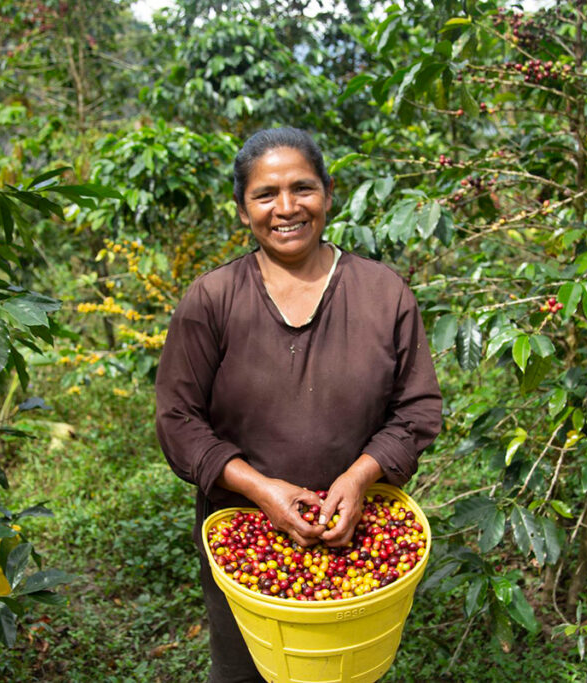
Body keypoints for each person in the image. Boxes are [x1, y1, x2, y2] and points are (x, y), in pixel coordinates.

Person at [155, 127, 442, 682]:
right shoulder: (212, 299)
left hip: (352, 531)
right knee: (245, 668)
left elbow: (417, 409)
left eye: (303, 189)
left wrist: (358, 481)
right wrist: (261, 491)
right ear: (243, 209)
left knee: (341, 671)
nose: (286, 208)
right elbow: (178, 420)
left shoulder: (384, 294)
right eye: (265, 195)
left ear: (329, 194)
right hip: (244, 528)